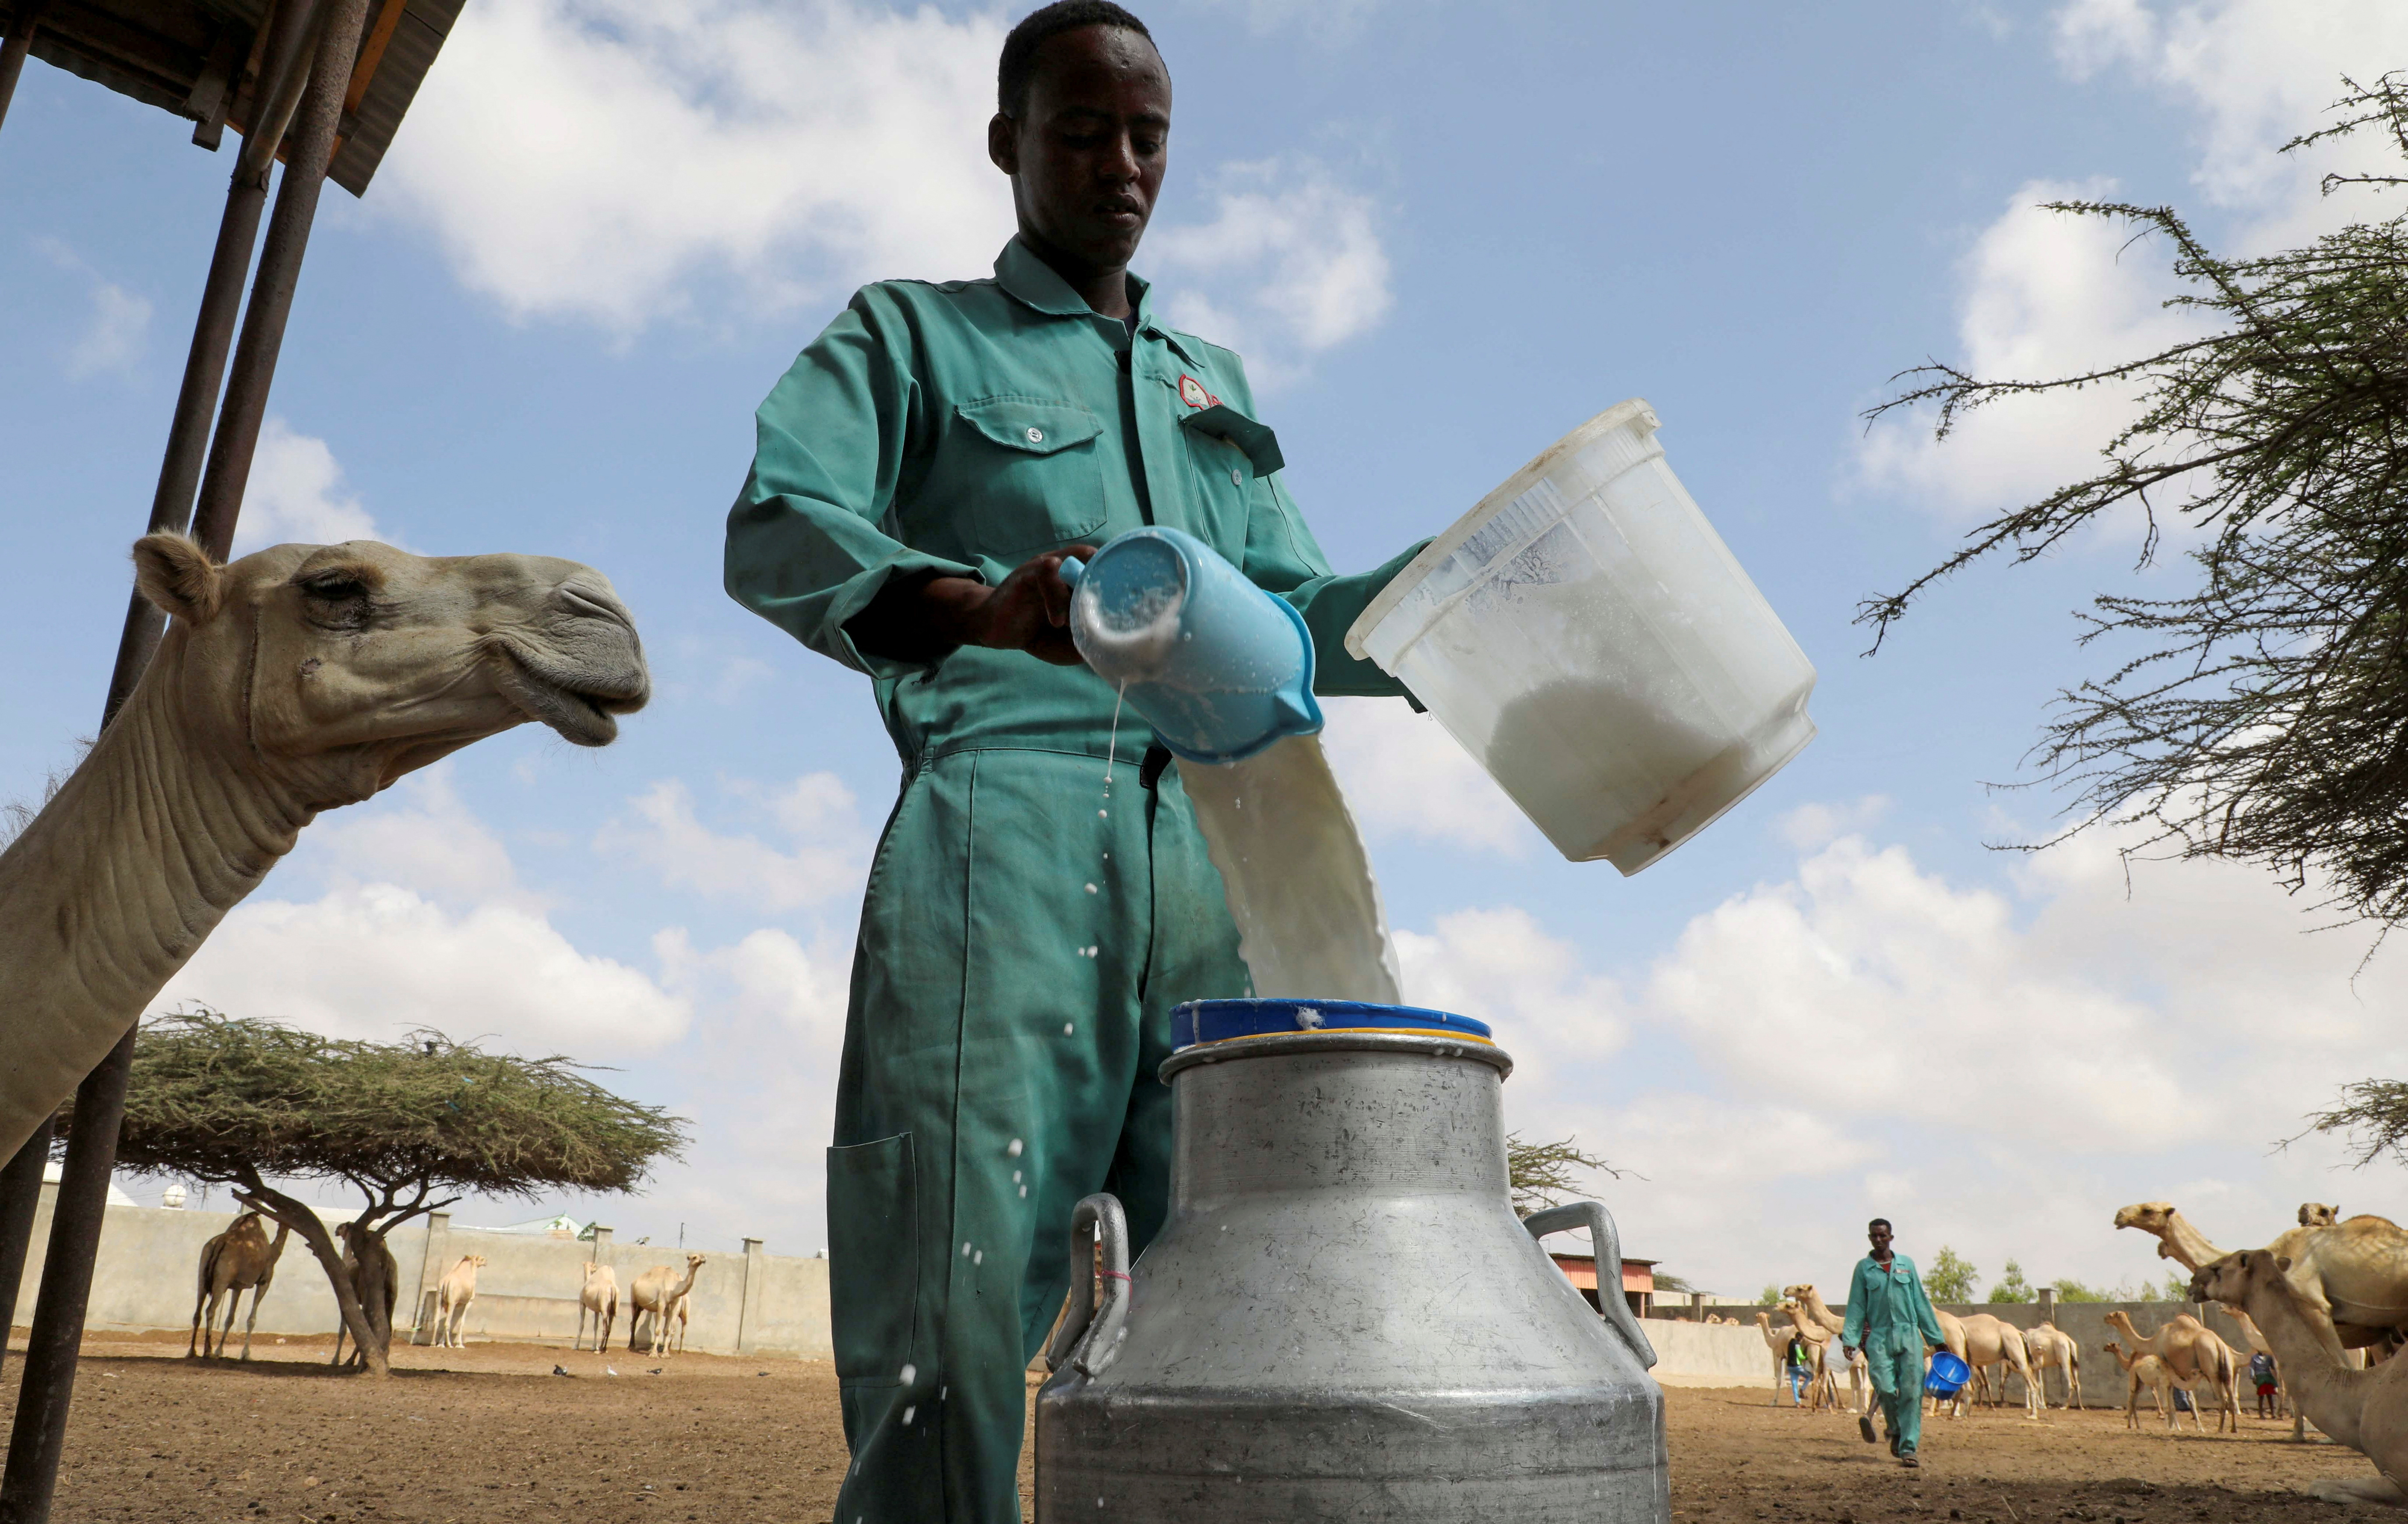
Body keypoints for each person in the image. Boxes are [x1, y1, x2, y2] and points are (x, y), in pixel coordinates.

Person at [722, 4, 1426, 1519]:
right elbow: (783, 528)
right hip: (1008, 840)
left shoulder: (1211, 384)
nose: (1122, 162)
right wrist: (987, 605)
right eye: (1082, 129)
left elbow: (1293, 616)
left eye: (1148, 133)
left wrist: (1441, 605)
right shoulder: (910, 335)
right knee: (956, 1312)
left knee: (1216, 1312)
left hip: (1229, 853)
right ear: (1008, 146)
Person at [1840, 1218, 1948, 1468]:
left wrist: (1936, 1339)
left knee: (1912, 1392)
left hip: (1909, 1335)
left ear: (1891, 1237)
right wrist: (1851, 1339)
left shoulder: (1906, 1265)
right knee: (1885, 1388)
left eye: (1883, 1236)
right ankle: (1896, 1429)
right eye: (1874, 1236)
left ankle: (1908, 1448)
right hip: (1879, 1338)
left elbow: (1920, 1302)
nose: (1879, 1240)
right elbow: (1856, 1305)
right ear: (1870, 1238)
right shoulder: (1864, 1269)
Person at [1786, 1331, 1813, 1406]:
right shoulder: (1797, 1345)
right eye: (1801, 1338)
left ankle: (1797, 1403)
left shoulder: (1790, 1343)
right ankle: (1802, 1389)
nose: (1802, 1340)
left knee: (1794, 1384)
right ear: (1798, 1337)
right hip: (1797, 1366)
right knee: (1810, 1376)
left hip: (1790, 1367)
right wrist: (1807, 1358)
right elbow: (1800, 1356)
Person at [2251, 1350, 2278, 1417]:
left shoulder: (2269, 1358)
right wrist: (2253, 1377)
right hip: (2260, 1377)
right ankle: (2261, 1414)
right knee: (2261, 1395)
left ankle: (2273, 1413)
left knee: (2270, 1395)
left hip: (2268, 1377)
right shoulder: (2254, 1358)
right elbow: (2252, 1368)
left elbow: (2273, 1367)